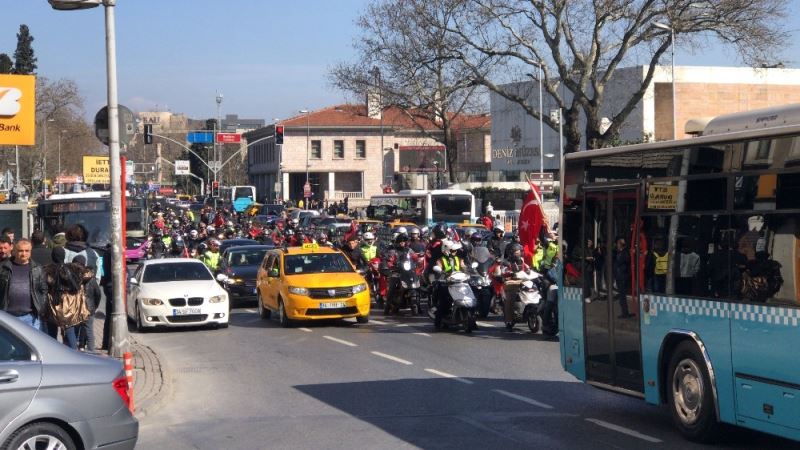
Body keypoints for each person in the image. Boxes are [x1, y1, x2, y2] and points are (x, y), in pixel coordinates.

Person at [0, 239, 48, 331]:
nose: (24, 254)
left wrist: (41, 306)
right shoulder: (3, 267)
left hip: (30, 318)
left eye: (27, 251)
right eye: (20, 251)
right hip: (7, 317)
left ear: (30, 251)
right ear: (14, 251)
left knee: (32, 344)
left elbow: (44, 289)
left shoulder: (37, 268)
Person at [432, 239, 464, 330]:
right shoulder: (441, 260)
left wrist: (470, 271)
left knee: (471, 299)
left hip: (459, 283)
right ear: (447, 250)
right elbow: (438, 268)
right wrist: (440, 271)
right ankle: (437, 324)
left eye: (455, 250)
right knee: (444, 303)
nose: (455, 252)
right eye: (453, 250)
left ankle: (472, 321)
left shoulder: (459, 259)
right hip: (446, 284)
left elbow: (464, 267)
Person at [613, 237, 633, 318]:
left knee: (622, 295)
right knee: (621, 295)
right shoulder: (618, 252)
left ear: (621, 245)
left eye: (618, 244)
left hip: (622, 276)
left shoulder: (624, 253)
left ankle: (625, 313)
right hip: (619, 276)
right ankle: (624, 312)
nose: (617, 246)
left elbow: (624, 262)